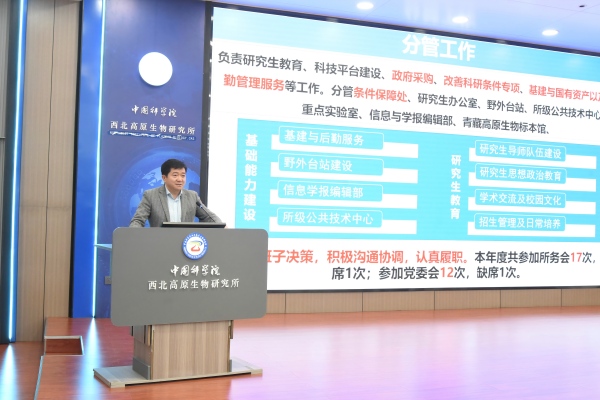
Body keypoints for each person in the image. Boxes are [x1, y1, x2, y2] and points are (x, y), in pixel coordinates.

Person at [129, 159, 221, 227]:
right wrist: (134, 235)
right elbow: (138, 220)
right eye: (175, 175)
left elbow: (209, 217)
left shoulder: (192, 196)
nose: (180, 179)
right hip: (159, 243)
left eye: (183, 175)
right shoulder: (150, 196)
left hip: (185, 244)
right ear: (164, 178)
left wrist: (223, 227)